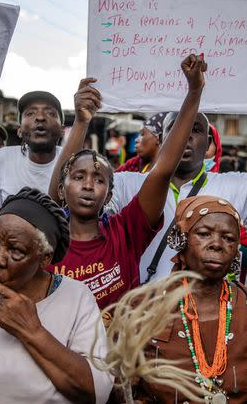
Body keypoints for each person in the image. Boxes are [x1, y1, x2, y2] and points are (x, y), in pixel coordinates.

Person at [47, 54, 207, 309]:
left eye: (98, 179)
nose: (88, 185)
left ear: (109, 195)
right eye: (78, 177)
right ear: (61, 189)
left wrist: (194, 92)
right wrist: (81, 120)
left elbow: (162, 171)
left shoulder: (126, 232)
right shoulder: (47, 241)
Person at [109, 88, 247, 284]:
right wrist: (82, 123)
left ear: (209, 142)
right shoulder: (127, 184)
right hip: (145, 311)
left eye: (195, 129)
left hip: (208, 313)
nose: (186, 136)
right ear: (161, 141)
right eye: (176, 128)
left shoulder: (236, 186)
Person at [0, 187, 113, 403]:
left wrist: (30, 329)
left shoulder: (76, 298)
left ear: (44, 258)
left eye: (15, 250)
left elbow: (96, 393)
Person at [133, 196, 247, 403]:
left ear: (235, 252)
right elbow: (126, 389)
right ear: (183, 241)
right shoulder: (144, 307)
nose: (216, 244)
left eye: (228, 238)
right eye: (204, 234)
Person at [0, 91, 64, 210]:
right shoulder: (1, 158)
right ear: (19, 130)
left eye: (50, 113)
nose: (40, 117)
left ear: (62, 130)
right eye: (30, 113)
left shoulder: (72, 160)